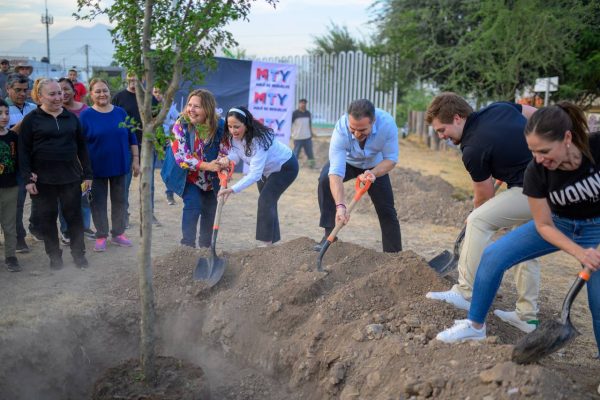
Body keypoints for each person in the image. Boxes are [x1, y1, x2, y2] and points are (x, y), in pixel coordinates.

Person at [435, 103, 600, 357]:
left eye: (545, 151)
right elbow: (543, 224)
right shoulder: (536, 170)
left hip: (596, 228)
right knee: (493, 256)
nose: (539, 159)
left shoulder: (595, 149)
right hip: (559, 224)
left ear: (567, 138)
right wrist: (580, 252)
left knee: (598, 301)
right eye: (533, 151)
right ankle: (475, 325)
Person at [424, 92, 542, 333]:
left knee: (478, 220)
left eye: (442, 130)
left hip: (536, 189)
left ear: (458, 118)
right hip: (552, 180)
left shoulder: (472, 148)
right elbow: (537, 114)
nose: (441, 136)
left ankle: (465, 292)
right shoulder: (498, 108)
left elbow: (485, 194)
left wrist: (474, 216)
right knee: (525, 245)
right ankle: (527, 317)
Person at [18, 78, 93, 269]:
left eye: (59, 92)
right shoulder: (31, 119)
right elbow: (23, 151)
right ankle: (55, 257)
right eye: (52, 94)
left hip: (70, 178)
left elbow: (82, 148)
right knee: (48, 219)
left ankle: (79, 255)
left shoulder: (71, 118)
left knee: (74, 218)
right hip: (43, 180)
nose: (58, 97)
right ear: (39, 96)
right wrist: (27, 178)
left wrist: (88, 174)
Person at [314, 99, 402, 253]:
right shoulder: (341, 129)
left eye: (362, 130)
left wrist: (373, 173)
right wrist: (340, 205)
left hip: (375, 166)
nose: (356, 134)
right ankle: (329, 237)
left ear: (373, 121)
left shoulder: (387, 125)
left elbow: (391, 159)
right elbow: (335, 172)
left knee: (387, 209)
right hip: (349, 162)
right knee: (325, 180)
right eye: (353, 129)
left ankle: (394, 256)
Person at [218, 106, 299, 246]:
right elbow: (237, 154)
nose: (233, 131)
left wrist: (232, 189)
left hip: (285, 166)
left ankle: (266, 244)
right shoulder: (233, 137)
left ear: (246, 125)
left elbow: (254, 174)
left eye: (236, 127)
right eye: (230, 126)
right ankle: (272, 242)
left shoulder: (258, 141)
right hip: (266, 170)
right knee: (268, 202)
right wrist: (228, 159)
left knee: (266, 200)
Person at [80, 78, 139, 252]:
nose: (102, 94)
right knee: (98, 203)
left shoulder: (120, 112)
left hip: (120, 166)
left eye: (104, 90)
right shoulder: (86, 115)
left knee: (120, 201)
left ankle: (118, 234)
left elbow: (132, 137)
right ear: (91, 95)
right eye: (97, 91)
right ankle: (101, 235)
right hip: (95, 169)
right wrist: (84, 171)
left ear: (109, 92)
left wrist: (135, 160)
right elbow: (80, 145)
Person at [160, 89, 225, 248]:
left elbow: (226, 149)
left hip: (211, 178)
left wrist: (224, 163)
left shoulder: (220, 125)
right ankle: (187, 247)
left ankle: (205, 248)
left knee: (210, 211)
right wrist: (208, 165)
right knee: (193, 204)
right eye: (189, 105)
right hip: (188, 176)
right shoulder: (181, 124)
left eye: (197, 106)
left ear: (208, 109)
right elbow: (182, 157)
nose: (191, 109)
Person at [112, 72, 160, 226]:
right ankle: (123, 217)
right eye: (130, 79)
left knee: (148, 183)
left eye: (136, 79)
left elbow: (155, 120)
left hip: (146, 146)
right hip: (125, 147)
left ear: (143, 79)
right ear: (126, 78)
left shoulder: (149, 98)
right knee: (124, 184)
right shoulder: (119, 97)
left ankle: (148, 215)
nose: (133, 82)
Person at [56, 77, 94, 242]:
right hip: (62, 163)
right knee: (64, 198)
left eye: (66, 89)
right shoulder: (54, 111)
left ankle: (84, 226)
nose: (63, 93)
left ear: (74, 91)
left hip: (83, 160)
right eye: (59, 90)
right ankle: (66, 230)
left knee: (84, 196)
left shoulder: (85, 110)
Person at [5, 73, 38, 253]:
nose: (22, 94)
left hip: (34, 162)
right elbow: (8, 136)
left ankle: (36, 227)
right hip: (12, 164)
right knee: (16, 204)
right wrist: (27, 121)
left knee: (39, 199)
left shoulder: (33, 107)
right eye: (18, 90)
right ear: (8, 89)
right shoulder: (3, 109)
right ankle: (18, 238)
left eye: (25, 90)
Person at [0, 99, 21, 271]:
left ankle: (11, 256)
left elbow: (20, 160)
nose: (4, 117)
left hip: (10, 187)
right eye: (0, 114)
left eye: (6, 113)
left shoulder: (13, 137)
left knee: (9, 224)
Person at [153, 86, 179, 206]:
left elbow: (179, 121)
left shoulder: (169, 107)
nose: (158, 94)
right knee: (149, 171)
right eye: (155, 92)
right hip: (152, 142)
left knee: (168, 169)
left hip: (166, 141)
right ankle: (149, 196)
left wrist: (173, 137)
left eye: (160, 92)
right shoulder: (148, 107)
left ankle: (169, 193)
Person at [291, 98, 315, 168]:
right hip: (298, 137)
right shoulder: (294, 113)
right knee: (296, 153)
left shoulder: (308, 113)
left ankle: (311, 165)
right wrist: (291, 134)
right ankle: (293, 166)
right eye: (301, 103)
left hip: (307, 137)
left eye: (304, 103)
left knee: (310, 153)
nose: (303, 104)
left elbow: (309, 124)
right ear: (299, 104)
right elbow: (290, 124)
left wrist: (311, 133)